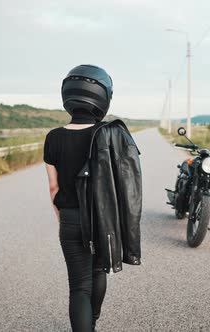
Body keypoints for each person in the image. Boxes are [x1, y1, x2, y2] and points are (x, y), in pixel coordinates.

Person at [43, 64, 142, 332]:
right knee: (98, 272)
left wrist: (63, 217)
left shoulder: (53, 138)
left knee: (78, 287)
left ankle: (86, 324)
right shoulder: (109, 135)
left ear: (68, 96)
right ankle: (93, 321)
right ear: (102, 97)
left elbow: (54, 188)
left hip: (71, 219)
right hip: (102, 219)